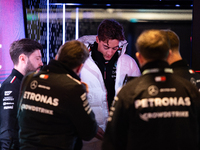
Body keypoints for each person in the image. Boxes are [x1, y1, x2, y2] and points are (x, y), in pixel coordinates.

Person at [102, 29, 200, 150]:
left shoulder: (128, 92)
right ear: (169, 54)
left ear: (139, 57)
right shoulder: (189, 89)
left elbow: (112, 140)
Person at [18, 40, 99, 150]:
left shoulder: (29, 78)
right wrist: (84, 95)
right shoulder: (74, 88)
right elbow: (89, 132)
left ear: (56, 57)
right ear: (80, 67)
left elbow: (19, 115)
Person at [78, 19, 141, 150]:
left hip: (119, 136)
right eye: (106, 47)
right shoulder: (80, 62)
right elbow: (71, 100)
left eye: (114, 48)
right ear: (97, 40)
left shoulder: (129, 63)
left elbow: (137, 100)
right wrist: (87, 127)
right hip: (87, 138)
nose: (110, 52)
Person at [0, 38, 43, 150]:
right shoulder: (11, 86)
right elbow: (7, 126)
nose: (41, 63)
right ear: (22, 58)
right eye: (37, 58)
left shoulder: (29, 83)